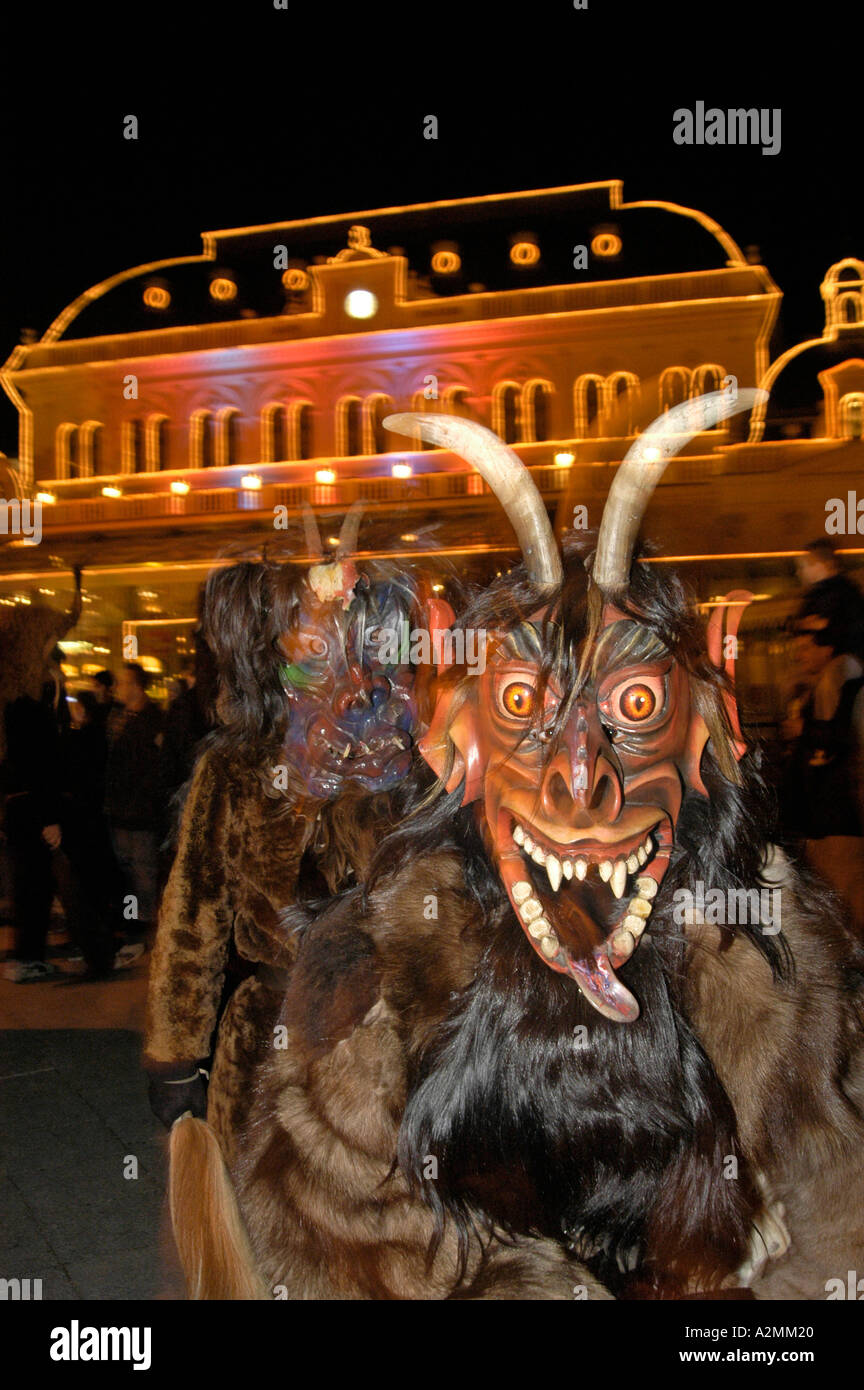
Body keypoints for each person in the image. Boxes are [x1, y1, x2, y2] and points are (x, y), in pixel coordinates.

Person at [781, 611, 864, 936]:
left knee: (843, 899)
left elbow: (844, 739)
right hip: (823, 814)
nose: (801, 654)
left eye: (806, 646)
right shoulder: (818, 682)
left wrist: (807, 729)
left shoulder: (844, 678)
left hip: (838, 815)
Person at [104, 663, 166, 963]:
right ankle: (132, 926)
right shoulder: (116, 717)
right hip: (120, 809)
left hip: (141, 812)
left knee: (142, 874)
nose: (118, 688)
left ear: (138, 686)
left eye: (124, 682)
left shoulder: (153, 720)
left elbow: (154, 769)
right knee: (128, 873)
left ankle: (140, 931)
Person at [795, 538, 864, 663]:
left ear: (827, 565)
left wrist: (817, 626)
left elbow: (845, 630)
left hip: (843, 661)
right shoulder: (814, 595)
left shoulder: (845, 593)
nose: (801, 571)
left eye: (809, 565)